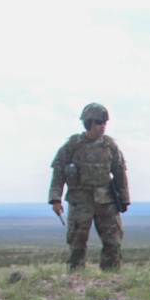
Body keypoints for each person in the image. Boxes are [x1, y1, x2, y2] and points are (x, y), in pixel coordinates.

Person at [48, 103, 130, 272]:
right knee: (77, 241)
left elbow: (120, 172)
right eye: (99, 122)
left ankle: (111, 277)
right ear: (89, 123)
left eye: (104, 123)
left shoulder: (109, 146)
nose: (102, 127)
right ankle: (76, 278)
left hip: (106, 201)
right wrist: (55, 199)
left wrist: (124, 199)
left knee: (113, 241)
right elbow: (58, 173)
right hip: (80, 201)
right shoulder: (72, 146)